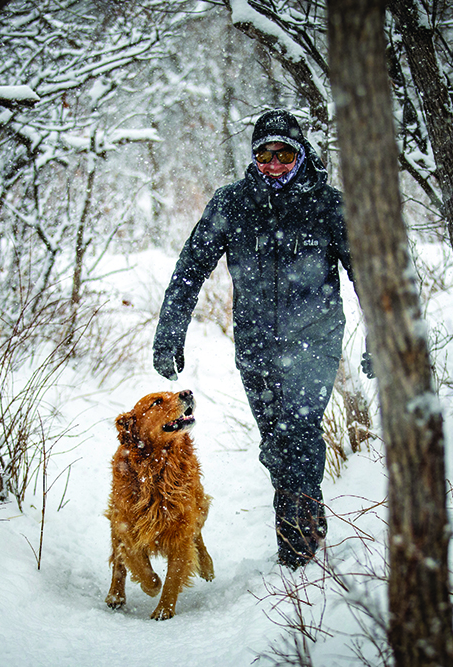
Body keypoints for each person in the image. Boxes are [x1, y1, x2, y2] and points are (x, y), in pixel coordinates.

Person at [153, 109, 363, 569]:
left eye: (283, 154)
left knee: (301, 432)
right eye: (264, 155)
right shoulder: (232, 203)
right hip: (256, 346)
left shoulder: (330, 205)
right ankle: (306, 524)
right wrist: (169, 333)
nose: (273, 164)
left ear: (300, 154)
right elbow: (191, 269)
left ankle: (298, 551)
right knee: (276, 443)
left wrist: (383, 342)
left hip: (315, 341)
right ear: (253, 157)